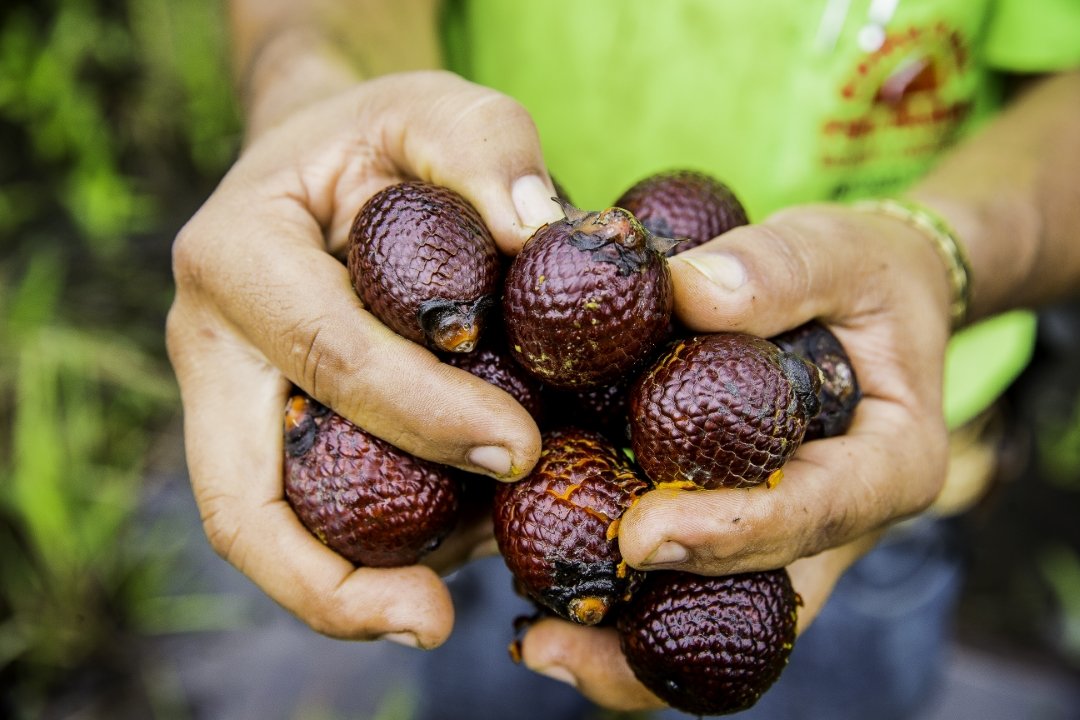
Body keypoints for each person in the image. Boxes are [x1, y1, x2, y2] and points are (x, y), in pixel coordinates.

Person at [165, 0, 1080, 714]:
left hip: (889, 417)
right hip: (477, 479)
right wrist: (317, 97)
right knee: (498, 671)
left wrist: (937, 253)